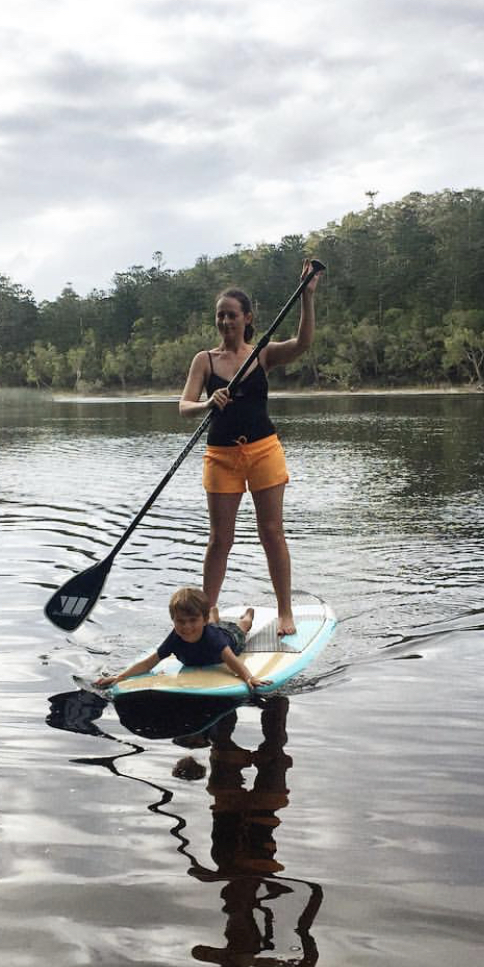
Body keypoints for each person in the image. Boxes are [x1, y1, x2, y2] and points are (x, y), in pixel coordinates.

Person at [178, 259, 322, 637]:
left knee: (272, 532)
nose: (225, 321)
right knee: (219, 540)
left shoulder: (262, 353)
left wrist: (307, 297)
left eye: (231, 315)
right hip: (221, 457)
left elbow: (303, 343)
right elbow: (184, 406)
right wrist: (207, 404)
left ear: (247, 318)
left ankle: (285, 612)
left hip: (263, 452)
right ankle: (208, 612)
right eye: (220, 315)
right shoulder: (205, 360)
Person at [94, 586, 263, 690]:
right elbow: (148, 663)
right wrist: (121, 676)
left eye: (192, 620)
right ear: (173, 620)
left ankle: (247, 615)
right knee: (210, 625)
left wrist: (249, 677)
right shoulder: (175, 638)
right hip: (208, 626)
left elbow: (233, 662)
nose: (186, 627)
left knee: (242, 628)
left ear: (202, 619)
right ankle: (213, 615)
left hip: (230, 637)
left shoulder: (214, 640)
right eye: (180, 621)